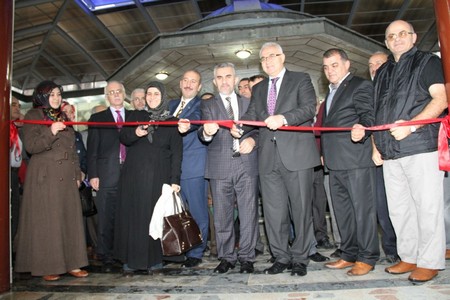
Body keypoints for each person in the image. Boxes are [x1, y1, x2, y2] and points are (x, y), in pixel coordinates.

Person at [234, 42, 321, 276]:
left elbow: (309, 109)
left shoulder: (300, 79)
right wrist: (239, 128)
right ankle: (281, 256)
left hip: (297, 156)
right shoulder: (260, 89)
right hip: (268, 158)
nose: (268, 61)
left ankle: (301, 257)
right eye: (263, 58)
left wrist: (283, 118)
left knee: (301, 210)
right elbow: (252, 116)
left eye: (272, 56)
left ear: (283, 57)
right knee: (273, 212)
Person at [371, 20, 447, 282]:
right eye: (391, 35)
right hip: (390, 151)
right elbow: (376, 113)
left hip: (420, 147)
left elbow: (441, 99)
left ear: (414, 37)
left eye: (403, 33)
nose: (397, 38)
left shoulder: (427, 62)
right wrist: (374, 146)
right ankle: (409, 257)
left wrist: (411, 127)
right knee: (400, 210)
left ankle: (430, 261)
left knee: (427, 207)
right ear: (386, 42)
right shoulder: (382, 72)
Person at [14, 80, 88, 281]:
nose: (56, 98)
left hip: (67, 177)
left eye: (58, 94)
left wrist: (77, 173)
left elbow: (72, 149)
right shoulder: (33, 115)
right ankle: (48, 265)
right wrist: (51, 131)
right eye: (51, 95)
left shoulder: (63, 115)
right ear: (41, 97)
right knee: (48, 223)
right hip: (44, 177)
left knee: (69, 220)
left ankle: (73, 263)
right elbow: (31, 146)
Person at [320, 48, 379, 276]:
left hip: (356, 158)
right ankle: (348, 254)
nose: (330, 71)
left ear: (347, 64)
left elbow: (368, 115)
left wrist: (362, 129)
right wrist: (324, 152)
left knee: (362, 210)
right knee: (342, 212)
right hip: (334, 162)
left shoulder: (360, 85)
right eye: (326, 67)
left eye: (334, 65)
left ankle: (367, 257)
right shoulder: (330, 92)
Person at [115, 81, 182, 276]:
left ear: (163, 97)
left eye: (156, 94)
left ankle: (155, 260)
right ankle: (132, 260)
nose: (152, 98)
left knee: (156, 218)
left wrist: (175, 180)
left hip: (159, 176)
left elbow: (177, 153)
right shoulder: (135, 116)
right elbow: (124, 138)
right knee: (134, 218)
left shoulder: (171, 121)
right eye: (149, 94)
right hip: (134, 176)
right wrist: (136, 132)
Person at [197, 62, 259, 274]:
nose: (224, 81)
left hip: (246, 164)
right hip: (219, 166)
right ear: (214, 82)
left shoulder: (249, 102)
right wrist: (207, 132)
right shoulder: (207, 105)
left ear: (235, 79)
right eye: (220, 77)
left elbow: (259, 131)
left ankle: (247, 257)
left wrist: (253, 142)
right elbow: (201, 134)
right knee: (222, 215)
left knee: (248, 213)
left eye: (228, 76)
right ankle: (226, 257)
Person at [87, 81, 129, 272]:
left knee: (125, 216)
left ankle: (124, 253)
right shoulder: (97, 118)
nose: (116, 95)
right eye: (111, 92)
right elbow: (92, 150)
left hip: (130, 174)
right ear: (107, 97)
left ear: (124, 94)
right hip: (106, 174)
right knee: (106, 218)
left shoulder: (134, 116)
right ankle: (106, 257)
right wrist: (93, 174)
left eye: (119, 91)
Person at [169, 70, 208, 267]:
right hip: (172, 167)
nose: (189, 84)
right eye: (185, 80)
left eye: (194, 81)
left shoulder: (203, 104)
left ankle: (197, 251)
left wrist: (186, 124)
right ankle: (180, 248)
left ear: (199, 87)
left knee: (196, 212)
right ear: (180, 83)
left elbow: (194, 118)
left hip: (193, 167)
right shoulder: (171, 105)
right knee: (177, 212)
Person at [368, 51, 400, 264]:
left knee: (402, 205)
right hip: (378, 155)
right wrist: (374, 148)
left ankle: (409, 247)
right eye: (370, 64)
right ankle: (390, 248)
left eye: (379, 63)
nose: (374, 68)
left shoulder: (398, 88)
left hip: (401, 151)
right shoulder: (368, 91)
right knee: (382, 205)